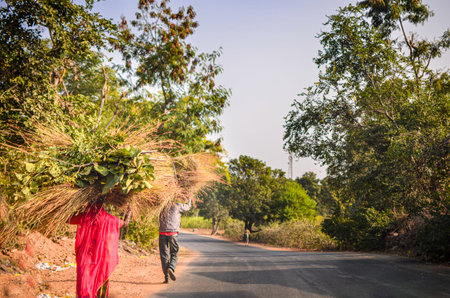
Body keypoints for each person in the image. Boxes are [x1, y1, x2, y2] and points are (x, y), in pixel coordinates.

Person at [69, 197, 130, 298]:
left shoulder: (84, 217)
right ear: (102, 206)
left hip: (86, 258)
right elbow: (125, 223)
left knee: (85, 283)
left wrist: (77, 207)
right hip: (104, 258)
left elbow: (68, 219)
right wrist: (129, 211)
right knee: (101, 280)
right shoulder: (111, 219)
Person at [159, 197, 192, 283]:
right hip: (173, 233)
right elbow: (188, 207)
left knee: (164, 255)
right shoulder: (177, 205)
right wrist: (190, 197)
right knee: (174, 253)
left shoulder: (161, 205)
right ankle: (171, 268)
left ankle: (166, 277)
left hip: (162, 232)